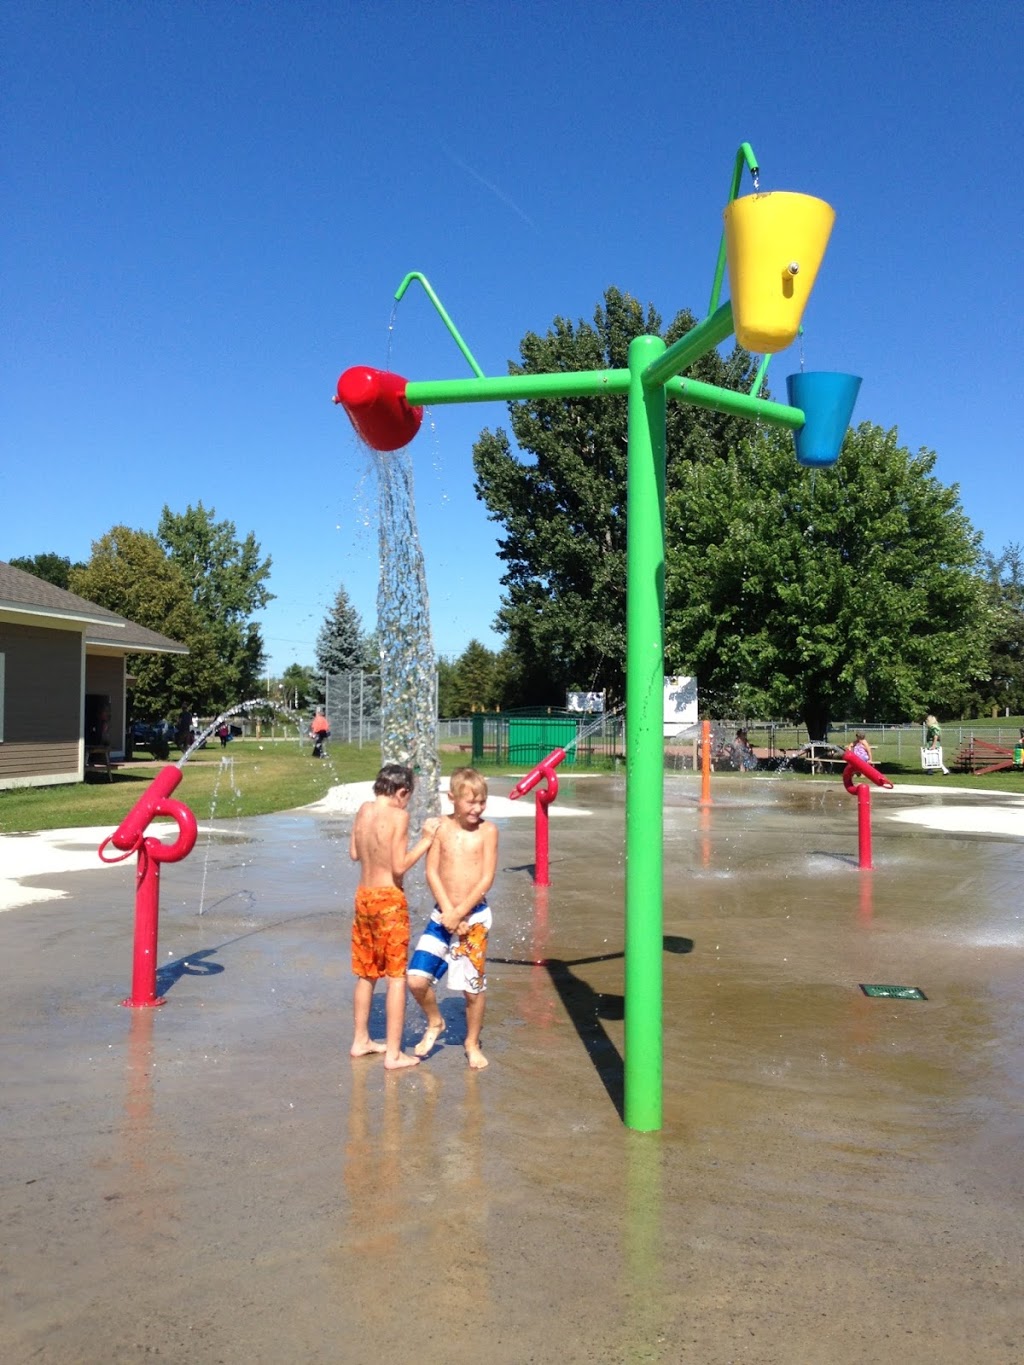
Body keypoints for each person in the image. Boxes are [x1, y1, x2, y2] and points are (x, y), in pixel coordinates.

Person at [348, 763, 439, 1071]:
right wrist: (426, 840)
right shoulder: (400, 816)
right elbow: (399, 867)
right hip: (388, 901)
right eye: (408, 798)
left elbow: (354, 853)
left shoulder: (363, 810)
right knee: (396, 977)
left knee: (365, 973)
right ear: (402, 792)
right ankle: (394, 1053)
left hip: (364, 898)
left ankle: (361, 1039)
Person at [408, 767, 499, 1070]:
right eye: (470, 802)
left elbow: (486, 878)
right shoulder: (440, 829)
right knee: (416, 980)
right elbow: (431, 871)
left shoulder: (488, 832)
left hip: (473, 921)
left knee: (472, 988)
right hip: (443, 915)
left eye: (482, 802)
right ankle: (436, 1022)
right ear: (452, 799)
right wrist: (448, 912)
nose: (477, 808)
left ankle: (471, 1042)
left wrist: (460, 913)